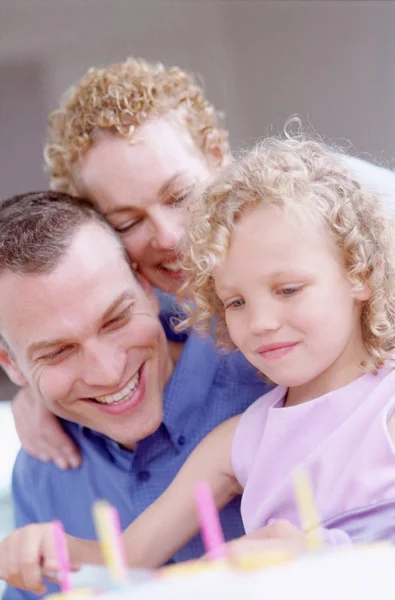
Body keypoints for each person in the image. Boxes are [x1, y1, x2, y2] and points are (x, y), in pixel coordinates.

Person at [3, 135, 395, 592]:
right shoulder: (238, 441)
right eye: (235, 301)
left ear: (360, 274)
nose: (262, 323)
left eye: (288, 289)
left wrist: (325, 561)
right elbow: (126, 557)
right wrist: (44, 546)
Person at [11, 58, 395, 470]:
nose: (170, 237)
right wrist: (35, 388)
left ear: (217, 158)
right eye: (128, 222)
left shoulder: (331, 212)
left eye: (179, 197)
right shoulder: (157, 304)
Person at [0, 191, 270, 599]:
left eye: (117, 319)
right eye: (57, 352)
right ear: (12, 364)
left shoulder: (271, 376)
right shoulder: (39, 477)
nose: (108, 372)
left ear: (144, 284)